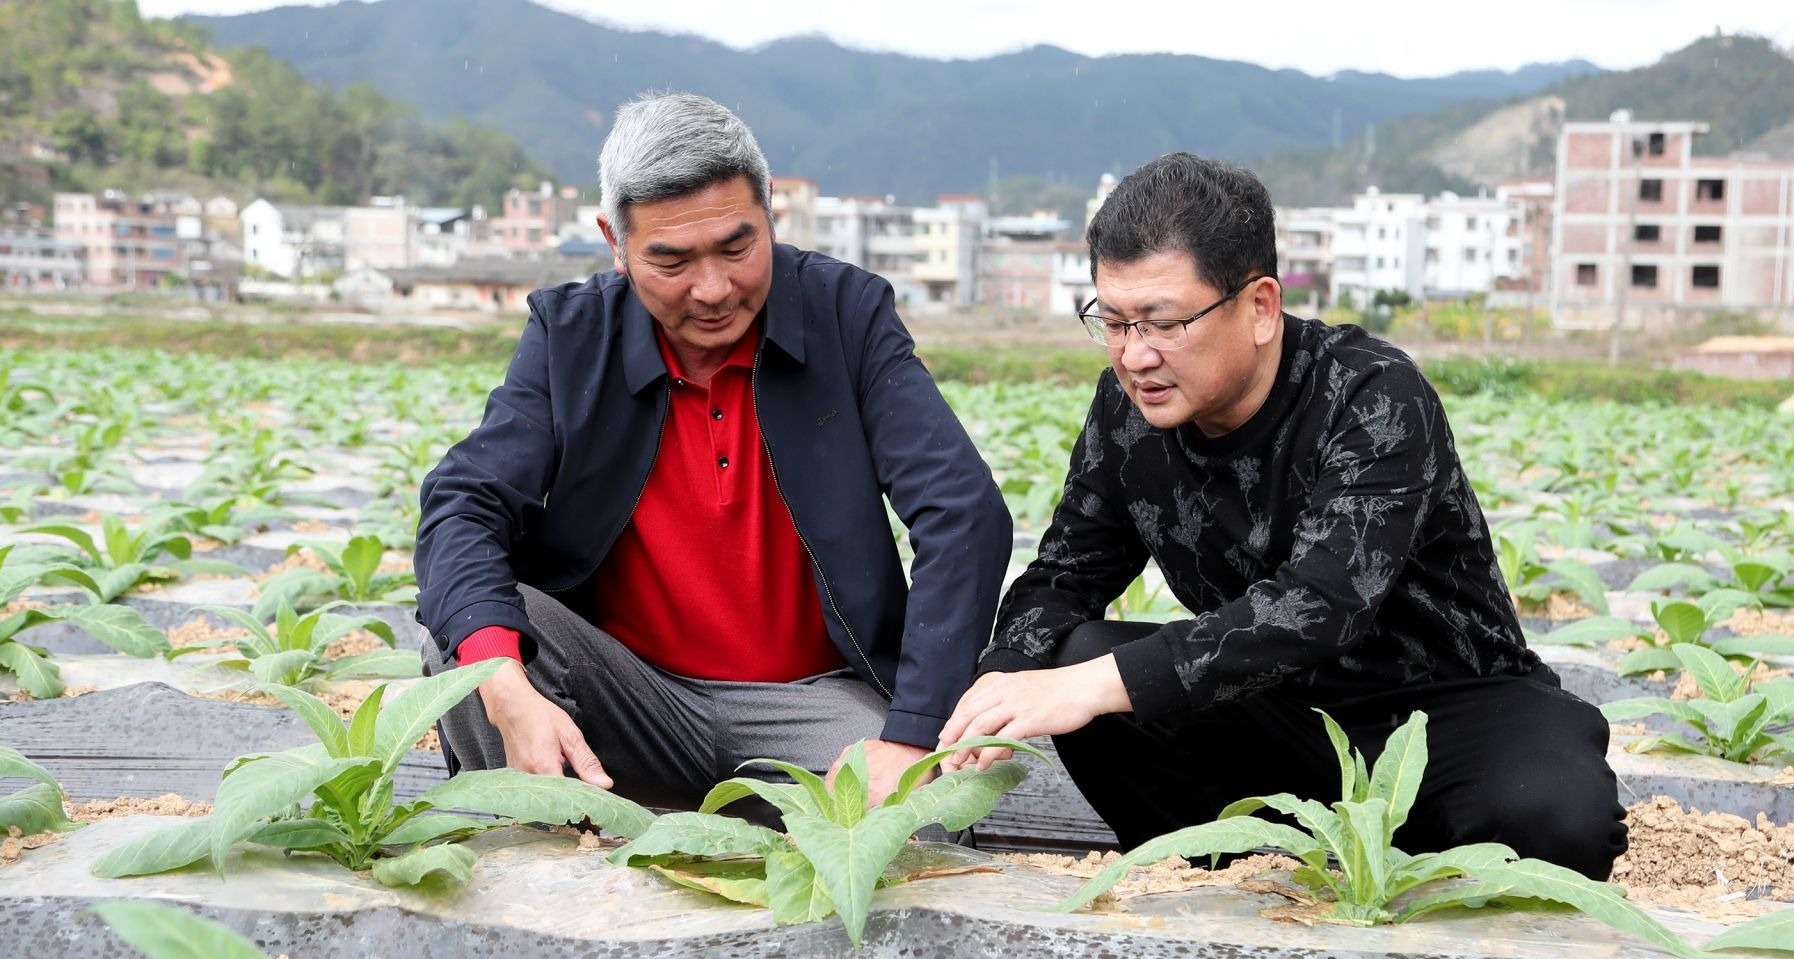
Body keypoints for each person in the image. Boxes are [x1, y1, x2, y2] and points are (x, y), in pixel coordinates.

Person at [940, 152, 1625, 878]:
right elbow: (1066, 573)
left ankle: (1410, 859)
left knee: (1556, 819)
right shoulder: (1127, 413)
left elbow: (1322, 605)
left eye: (1164, 323)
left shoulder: (1370, 393)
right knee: (1075, 654)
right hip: (1272, 711)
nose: (1135, 356)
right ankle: (1229, 876)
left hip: (1448, 710)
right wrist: (1002, 680)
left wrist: (1093, 684)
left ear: (1260, 307)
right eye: (1113, 322)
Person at [415, 92, 1010, 812]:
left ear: (769, 212)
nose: (713, 290)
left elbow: (961, 510)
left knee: (908, 820)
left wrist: (914, 734)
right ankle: (537, 844)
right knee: (474, 645)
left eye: (737, 248)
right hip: (631, 697)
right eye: (671, 260)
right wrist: (503, 680)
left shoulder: (844, 314)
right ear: (615, 242)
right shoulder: (573, 336)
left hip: (813, 704)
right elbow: (466, 501)